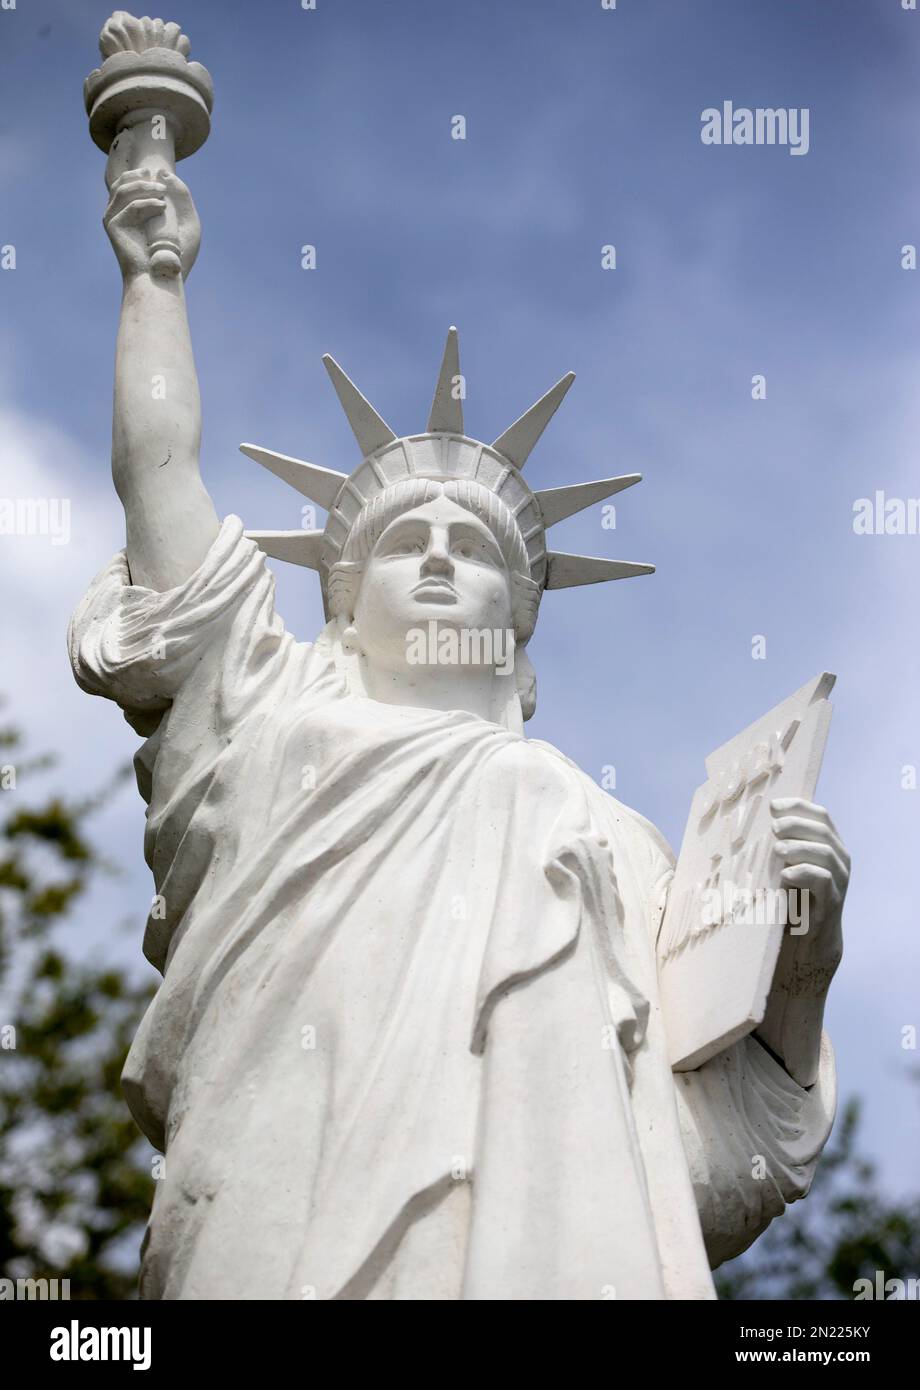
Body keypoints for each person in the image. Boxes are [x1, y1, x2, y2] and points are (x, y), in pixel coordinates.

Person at [69, 163, 849, 1300]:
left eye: (471, 547)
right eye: (402, 541)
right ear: (340, 602)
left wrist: (801, 966)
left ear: (520, 639)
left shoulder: (617, 842)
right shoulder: (262, 717)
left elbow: (720, 1154)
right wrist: (154, 277)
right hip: (274, 1209)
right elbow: (159, 480)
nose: (436, 555)